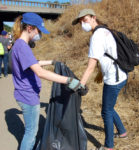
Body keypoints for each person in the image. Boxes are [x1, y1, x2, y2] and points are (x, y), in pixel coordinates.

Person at [12, 12, 85, 150]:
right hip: (28, 96)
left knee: (30, 131)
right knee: (30, 134)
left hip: (24, 94)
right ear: (29, 28)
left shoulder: (19, 45)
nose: (38, 34)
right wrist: (68, 80)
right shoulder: (22, 47)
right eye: (38, 31)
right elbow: (39, 72)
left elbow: (33, 63)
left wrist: (51, 61)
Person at [72, 9, 127, 150]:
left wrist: (80, 85)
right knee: (109, 107)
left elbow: (90, 66)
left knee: (106, 111)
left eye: (84, 20)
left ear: (93, 18)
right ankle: (122, 132)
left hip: (114, 79)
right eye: (80, 22)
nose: (82, 24)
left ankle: (108, 146)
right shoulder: (105, 30)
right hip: (120, 75)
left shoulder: (97, 36)